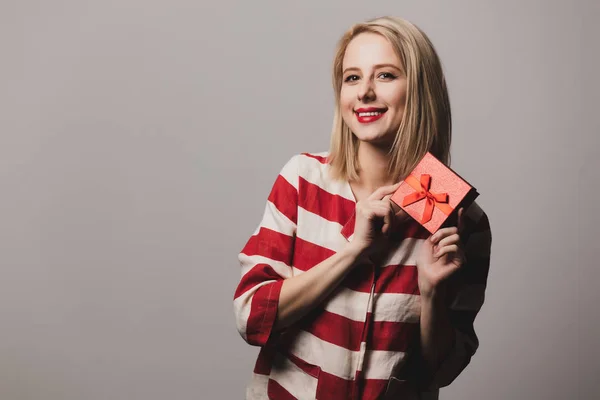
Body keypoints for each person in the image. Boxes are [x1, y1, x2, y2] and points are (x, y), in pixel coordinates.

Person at [233, 16, 492, 400]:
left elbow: (442, 372)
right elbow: (252, 318)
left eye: (385, 76)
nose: (365, 92)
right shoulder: (304, 180)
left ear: (419, 90)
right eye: (352, 78)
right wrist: (354, 250)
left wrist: (432, 294)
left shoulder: (459, 218)